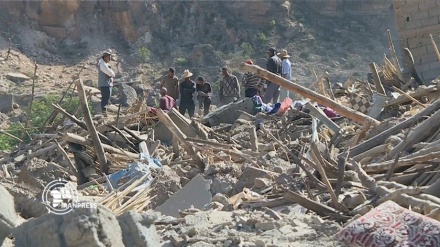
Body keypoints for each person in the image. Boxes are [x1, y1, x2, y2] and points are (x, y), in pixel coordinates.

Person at [97, 50, 115, 114]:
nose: (109, 59)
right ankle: (104, 112)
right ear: (105, 57)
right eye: (108, 57)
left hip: (107, 84)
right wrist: (111, 73)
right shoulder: (103, 65)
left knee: (107, 98)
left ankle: (105, 111)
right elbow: (111, 74)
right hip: (105, 84)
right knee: (105, 98)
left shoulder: (105, 64)